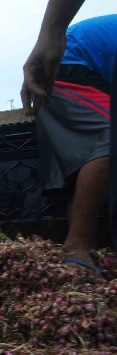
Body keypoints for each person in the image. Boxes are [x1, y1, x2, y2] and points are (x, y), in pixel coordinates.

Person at [34, 15, 114, 279]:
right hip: (63, 65)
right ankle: (77, 245)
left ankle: (80, 257)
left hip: (66, 68)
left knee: (82, 161)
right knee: (109, 141)